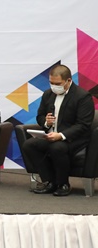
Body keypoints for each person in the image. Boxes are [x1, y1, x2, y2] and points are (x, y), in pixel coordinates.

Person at [22, 64, 94, 196]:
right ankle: (49, 181)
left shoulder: (83, 96)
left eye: (58, 84)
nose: (54, 86)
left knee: (57, 147)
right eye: (51, 83)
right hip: (51, 135)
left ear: (68, 81)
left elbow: (83, 125)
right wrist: (46, 122)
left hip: (74, 138)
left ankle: (63, 184)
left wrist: (61, 135)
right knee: (29, 145)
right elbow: (39, 116)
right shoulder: (48, 94)